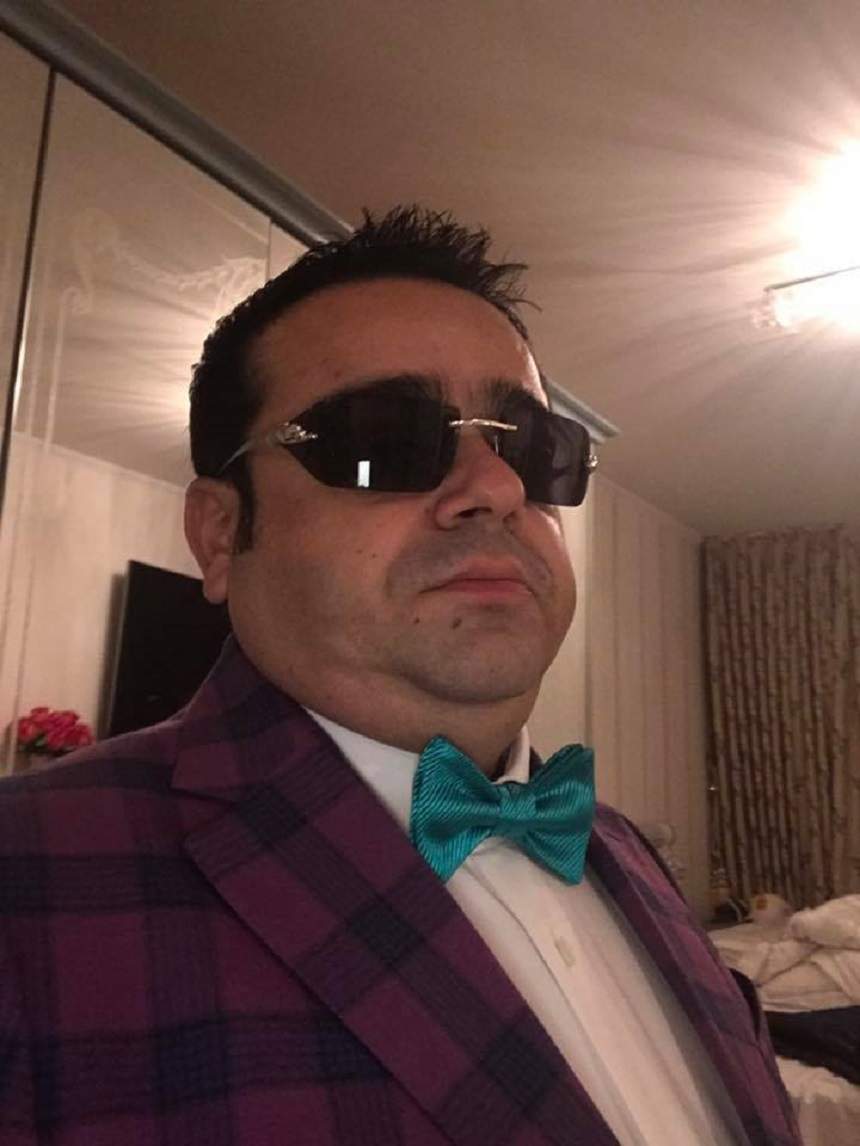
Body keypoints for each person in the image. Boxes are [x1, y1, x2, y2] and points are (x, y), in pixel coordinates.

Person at [0, 207, 798, 1145]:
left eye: (529, 446)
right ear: (221, 533)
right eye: (383, 437)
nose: (496, 488)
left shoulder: (630, 856)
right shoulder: (27, 879)